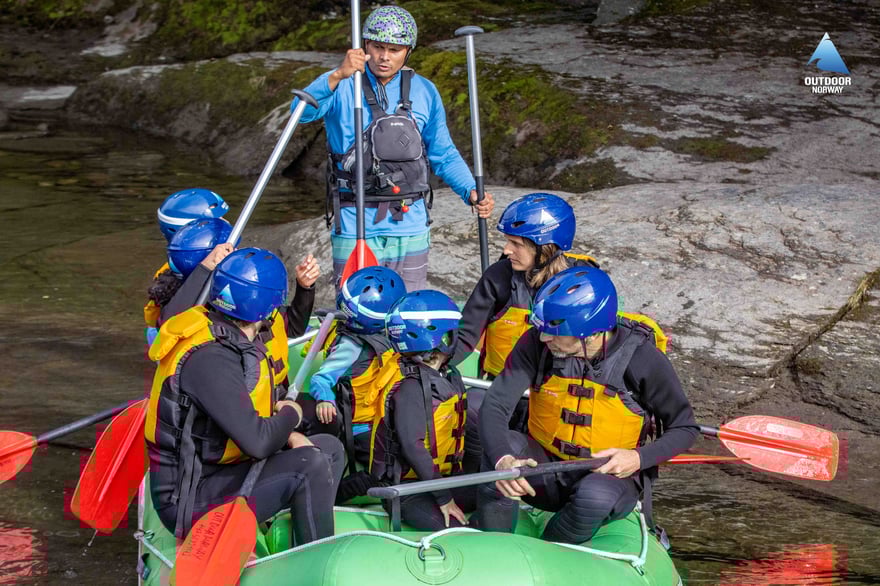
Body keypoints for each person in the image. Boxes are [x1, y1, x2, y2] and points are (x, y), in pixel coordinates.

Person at [476, 266, 699, 544]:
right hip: (544, 468)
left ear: (591, 333)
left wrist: (638, 458)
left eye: (555, 332)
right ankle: (491, 543)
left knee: (594, 495)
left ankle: (553, 552)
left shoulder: (643, 359)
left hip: (605, 477)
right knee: (501, 446)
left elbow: (685, 427)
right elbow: (496, 404)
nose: (545, 338)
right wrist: (503, 459)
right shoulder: (538, 342)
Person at [145, 247, 343, 547]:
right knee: (309, 465)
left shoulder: (227, 336)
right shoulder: (211, 359)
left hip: (223, 474)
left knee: (329, 449)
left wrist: (288, 435)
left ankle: (288, 533)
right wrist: (292, 415)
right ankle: (315, 559)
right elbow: (259, 442)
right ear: (265, 308)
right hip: (190, 501)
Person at [292, 5, 495, 292]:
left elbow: (443, 153)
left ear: (408, 51)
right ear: (365, 46)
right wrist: (337, 75)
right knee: (356, 312)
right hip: (355, 221)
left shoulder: (425, 91)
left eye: (395, 49)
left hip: (410, 222)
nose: (384, 57)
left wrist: (469, 189)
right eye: (377, 47)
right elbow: (300, 113)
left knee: (406, 312)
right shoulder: (344, 83)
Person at [453, 192, 597, 469]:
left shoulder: (582, 285)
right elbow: (464, 337)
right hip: (501, 388)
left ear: (546, 247)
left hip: (555, 394)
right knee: (472, 406)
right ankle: (475, 476)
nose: (507, 250)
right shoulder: (499, 276)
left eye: (516, 244)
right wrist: (431, 363)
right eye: (508, 242)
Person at [369, 289, 473, 529]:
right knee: (454, 529)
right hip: (405, 489)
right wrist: (444, 498)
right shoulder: (410, 388)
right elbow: (413, 447)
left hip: (442, 478)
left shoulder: (446, 375)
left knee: (495, 491)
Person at [306, 266, 405, 475]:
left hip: (382, 419)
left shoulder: (387, 337)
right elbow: (320, 379)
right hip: (361, 426)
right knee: (390, 470)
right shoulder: (351, 346)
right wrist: (325, 398)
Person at [145, 187, 229, 330]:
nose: (226, 223)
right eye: (217, 222)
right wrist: (205, 269)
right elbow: (169, 323)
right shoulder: (175, 275)